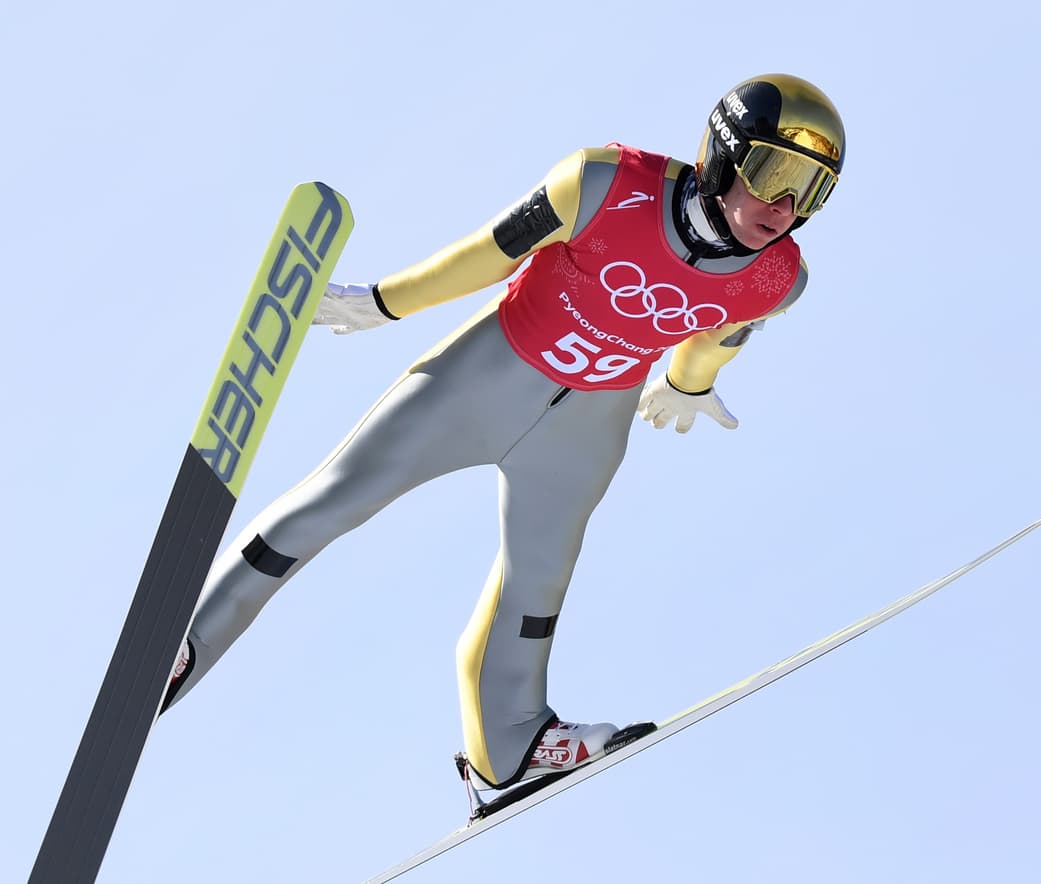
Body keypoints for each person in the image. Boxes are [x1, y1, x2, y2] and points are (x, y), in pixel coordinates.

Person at [164, 73, 846, 792]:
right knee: (333, 501)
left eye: (812, 190)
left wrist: (688, 384)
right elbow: (490, 252)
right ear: (722, 153)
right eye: (776, 174)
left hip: (586, 428)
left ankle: (511, 741)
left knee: (537, 586)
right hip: (482, 380)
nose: (786, 207)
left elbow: (723, 332)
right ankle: (183, 647)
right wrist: (384, 303)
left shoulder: (780, 277)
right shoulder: (604, 183)